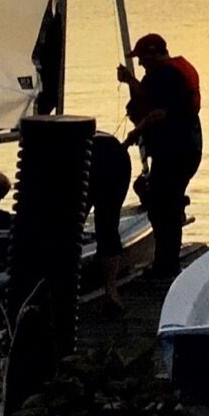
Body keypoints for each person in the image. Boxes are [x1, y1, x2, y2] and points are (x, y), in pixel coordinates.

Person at [120, 32, 203, 279]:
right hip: (186, 147)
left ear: (154, 53)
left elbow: (158, 111)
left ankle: (166, 266)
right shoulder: (169, 72)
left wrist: (134, 134)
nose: (141, 63)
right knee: (164, 204)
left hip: (176, 150)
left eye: (142, 58)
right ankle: (165, 262)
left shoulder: (165, 75)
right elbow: (150, 101)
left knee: (163, 207)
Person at [88, 128, 133, 307]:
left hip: (105, 157)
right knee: (108, 225)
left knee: (69, 229)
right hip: (115, 155)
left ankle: (110, 291)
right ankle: (111, 291)